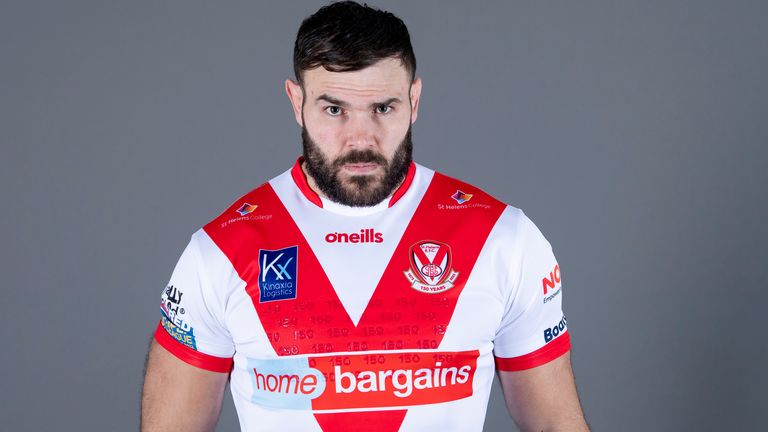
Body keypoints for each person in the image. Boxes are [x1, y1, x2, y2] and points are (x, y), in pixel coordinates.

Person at [141, 2, 589, 431]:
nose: (360, 138)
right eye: (334, 109)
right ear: (296, 102)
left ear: (415, 100)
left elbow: (554, 423)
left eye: (383, 108)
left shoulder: (502, 239)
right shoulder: (220, 251)